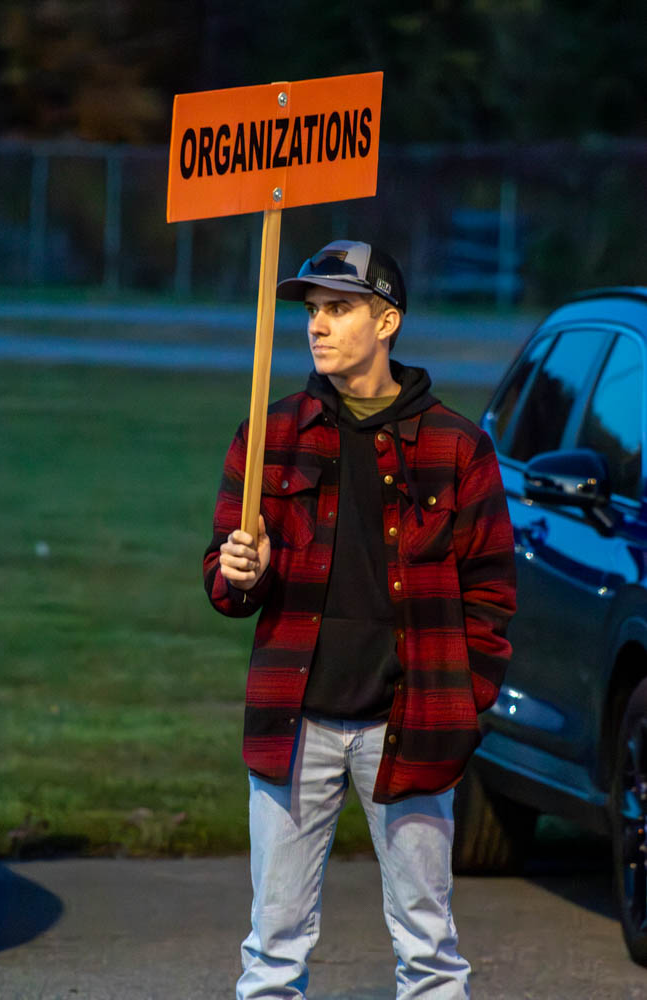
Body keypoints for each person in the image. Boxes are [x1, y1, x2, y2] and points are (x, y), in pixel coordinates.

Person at [203, 239, 516, 999]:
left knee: (428, 949)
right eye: (312, 310)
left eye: (338, 309)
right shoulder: (271, 433)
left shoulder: (454, 445)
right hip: (294, 722)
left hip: (408, 724)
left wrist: (461, 706)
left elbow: (492, 595)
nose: (317, 325)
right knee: (271, 950)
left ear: (387, 322)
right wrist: (237, 570)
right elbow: (223, 576)